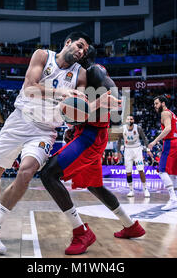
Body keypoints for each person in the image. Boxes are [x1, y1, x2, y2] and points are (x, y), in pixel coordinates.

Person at [0, 32, 91, 254]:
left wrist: (73, 120)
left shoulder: (81, 74)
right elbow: (29, 87)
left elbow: (77, 107)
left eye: (84, 51)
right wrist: (60, 92)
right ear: (68, 43)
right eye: (79, 45)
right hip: (20, 120)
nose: (81, 52)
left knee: (26, 172)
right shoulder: (43, 56)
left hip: (45, 131)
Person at [39, 45, 145, 256]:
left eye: (80, 49)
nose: (75, 52)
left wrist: (106, 108)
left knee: (48, 174)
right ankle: (131, 225)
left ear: (85, 55)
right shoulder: (82, 75)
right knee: (95, 186)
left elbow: (113, 97)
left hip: (92, 135)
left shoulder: (95, 71)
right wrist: (75, 126)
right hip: (86, 131)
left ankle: (81, 233)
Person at [148, 95, 177, 211]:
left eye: (156, 103)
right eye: (154, 104)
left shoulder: (165, 113)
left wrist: (154, 141)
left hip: (170, 143)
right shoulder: (173, 114)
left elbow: (167, 129)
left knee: (162, 171)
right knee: (173, 174)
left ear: (163, 103)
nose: (155, 106)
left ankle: (173, 199)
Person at [116, 115, 150, 197]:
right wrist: (118, 152)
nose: (130, 120)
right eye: (128, 119)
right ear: (126, 120)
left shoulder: (138, 128)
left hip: (137, 150)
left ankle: (145, 189)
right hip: (127, 150)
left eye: (131, 119)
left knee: (140, 170)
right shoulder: (122, 129)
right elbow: (119, 140)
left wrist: (148, 149)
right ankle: (131, 190)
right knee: (128, 172)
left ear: (133, 120)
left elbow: (144, 138)